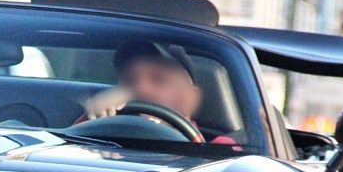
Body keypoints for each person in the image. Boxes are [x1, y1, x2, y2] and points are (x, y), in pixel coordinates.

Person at [78, 39, 234, 143]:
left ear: (189, 99)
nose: (141, 88)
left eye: (159, 80)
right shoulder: (99, 133)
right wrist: (94, 120)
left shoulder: (219, 148)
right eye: (129, 80)